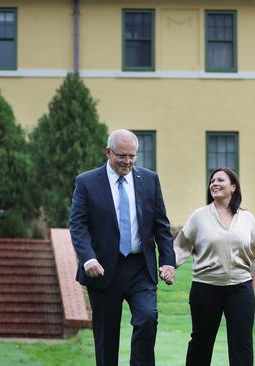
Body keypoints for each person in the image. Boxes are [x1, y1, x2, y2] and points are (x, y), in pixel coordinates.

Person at [69, 129, 176, 366]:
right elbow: (78, 225)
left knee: (148, 318)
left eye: (132, 156)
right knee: (107, 335)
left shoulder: (149, 179)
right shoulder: (86, 182)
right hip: (103, 268)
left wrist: (168, 261)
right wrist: (88, 258)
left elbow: (161, 225)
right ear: (108, 152)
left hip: (140, 268)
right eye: (122, 156)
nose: (128, 162)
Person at [174, 168, 255, 366]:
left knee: (242, 344)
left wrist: (252, 292)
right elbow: (181, 245)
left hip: (241, 289)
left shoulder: (247, 218)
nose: (214, 183)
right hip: (205, 288)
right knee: (201, 343)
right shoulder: (199, 216)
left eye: (220, 180)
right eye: (212, 180)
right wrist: (169, 267)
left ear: (233, 187)